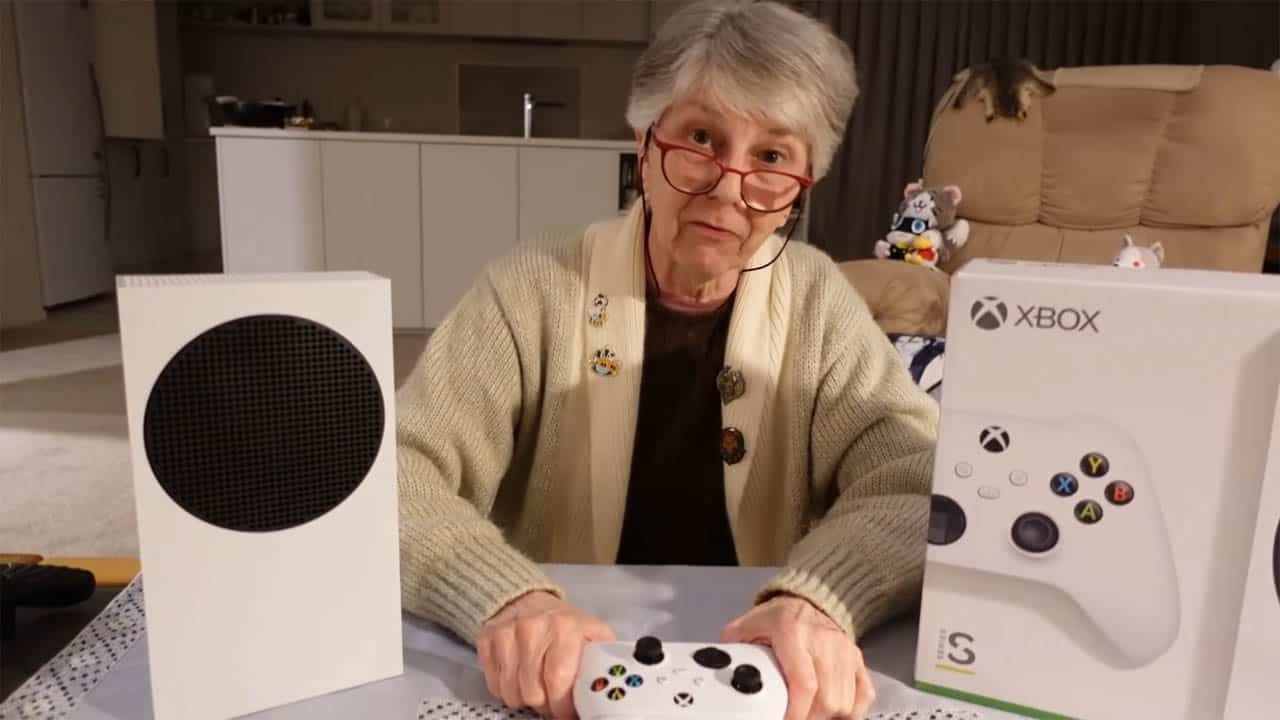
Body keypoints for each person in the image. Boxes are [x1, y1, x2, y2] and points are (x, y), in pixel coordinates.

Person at [395, 1, 939, 718]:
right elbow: (397, 473)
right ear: (644, 143)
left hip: (757, 676)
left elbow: (921, 478)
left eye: (772, 158)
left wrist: (824, 596)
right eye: (701, 138)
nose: (727, 188)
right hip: (562, 677)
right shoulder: (528, 288)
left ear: (800, 189)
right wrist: (505, 596)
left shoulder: (818, 301)